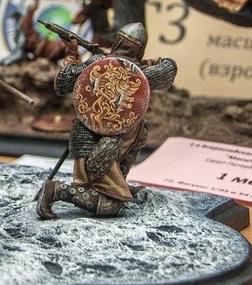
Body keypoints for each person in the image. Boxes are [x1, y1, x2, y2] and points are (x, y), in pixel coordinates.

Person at [37, 23, 176, 220]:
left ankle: (118, 182)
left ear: (117, 41)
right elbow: (169, 66)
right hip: (92, 139)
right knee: (111, 205)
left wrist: (72, 53)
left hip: (122, 137)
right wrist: (148, 62)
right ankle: (56, 191)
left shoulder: (98, 62)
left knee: (138, 134)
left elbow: (63, 81)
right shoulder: (143, 71)